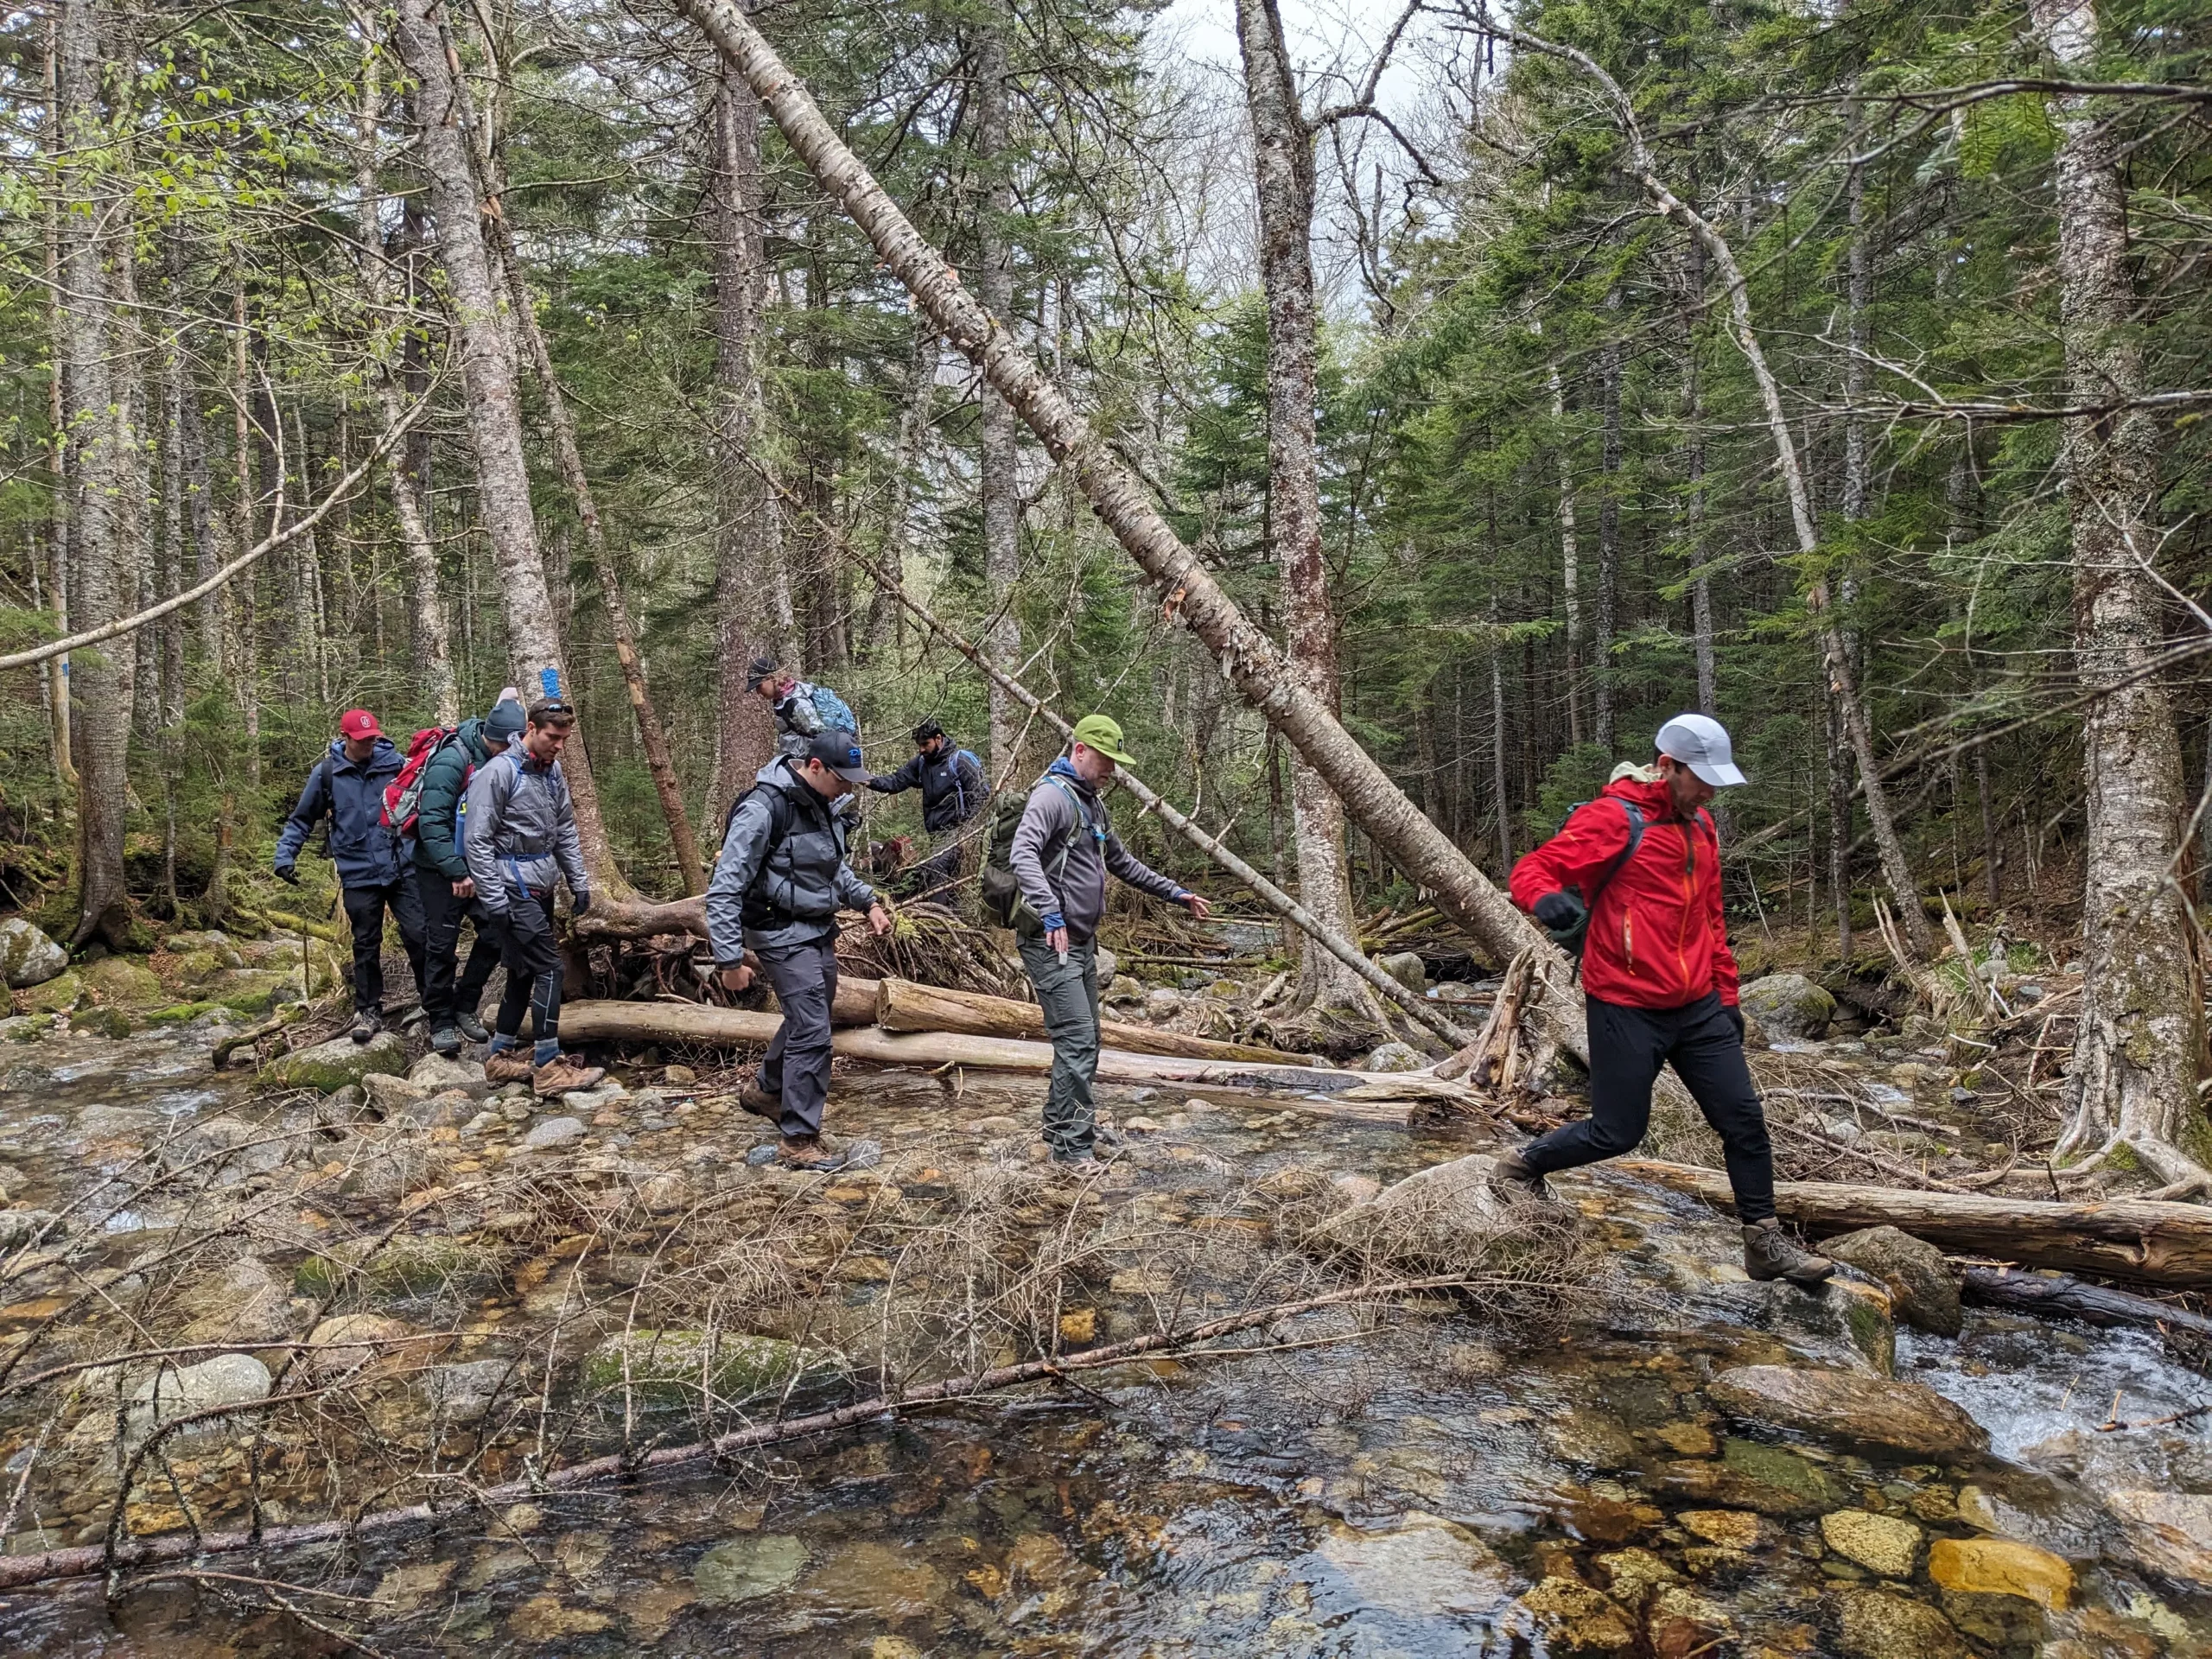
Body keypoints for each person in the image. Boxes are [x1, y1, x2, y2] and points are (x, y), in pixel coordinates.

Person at [1499, 713, 1833, 1286]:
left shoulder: (1701, 828)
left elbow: (1710, 919)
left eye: (1714, 780)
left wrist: (1726, 994)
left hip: (1698, 1005)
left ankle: (1763, 1243)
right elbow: (1533, 868)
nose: (1708, 790)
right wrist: (1544, 898)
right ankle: (1521, 1166)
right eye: (1699, 778)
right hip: (1625, 1004)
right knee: (1617, 1131)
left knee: (1744, 1121)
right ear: (1667, 766)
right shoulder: (1614, 818)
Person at [1009, 715, 1211, 1165]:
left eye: (1116, 763)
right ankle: (1072, 1152)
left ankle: (1062, 1128)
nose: (1112, 772)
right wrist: (1051, 913)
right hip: (1051, 942)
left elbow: (1124, 864)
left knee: (1087, 1041)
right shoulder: (1051, 798)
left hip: (1081, 943)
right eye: (1106, 760)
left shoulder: (1092, 805)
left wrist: (1177, 892)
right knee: (1077, 1041)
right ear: (1080, 750)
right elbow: (1021, 853)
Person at [706, 728, 894, 1171]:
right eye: (842, 778)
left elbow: (833, 870)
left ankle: (767, 1091)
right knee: (813, 1030)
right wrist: (729, 960)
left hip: (816, 929)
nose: (848, 787)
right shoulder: (763, 809)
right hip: (777, 932)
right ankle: (798, 1140)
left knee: (813, 1013)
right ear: (814, 767)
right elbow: (724, 888)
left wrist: (868, 902)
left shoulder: (822, 807)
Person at [461, 698, 604, 1096]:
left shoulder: (552, 771)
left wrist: (579, 883)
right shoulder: (498, 773)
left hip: (540, 884)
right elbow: (477, 841)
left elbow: (565, 830)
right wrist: (495, 901)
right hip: (509, 888)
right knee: (549, 969)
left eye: (564, 738)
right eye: (552, 737)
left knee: (523, 970)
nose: (559, 745)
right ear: (530, 728)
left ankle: (500, 1057)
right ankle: (547, 1066)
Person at [275, 708, 425, 1042]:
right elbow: (301, 819)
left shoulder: (397, 765)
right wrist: (285, 855)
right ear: (345, 738)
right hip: (358, 871)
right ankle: (368, 1011)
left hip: (402, 865)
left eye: (372, 738)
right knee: (366, 943)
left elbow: (424, 808)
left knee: (419, 934)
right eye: (361, 740)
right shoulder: (327, 773)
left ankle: (433, 1004)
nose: (368, 744)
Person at [410, 696, 527, 1056]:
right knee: (441, 946)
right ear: (506, 739)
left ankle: (465, 1005)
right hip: (438, 870)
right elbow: (431, 823)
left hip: (481, 866)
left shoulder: (500, 761)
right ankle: (440, 1021)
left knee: (495, 933)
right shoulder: (452, 760)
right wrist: (457, 871)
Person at [865, 716, 989, 898]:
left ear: (939, 739)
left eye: (925, 744)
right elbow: (897, 781)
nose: (921, 749)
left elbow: (982, 793)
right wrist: (869, 781)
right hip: (936, 835)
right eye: (919, 745)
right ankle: (953, 918)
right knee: (941, 878)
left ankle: (937, 915)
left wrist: (967, 831)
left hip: (960, 833)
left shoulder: (961, 760)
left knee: (935, 867)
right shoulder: (922, 763)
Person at [745, 656, 859, 761]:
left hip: (807, 765)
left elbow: (819, 735)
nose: (758, 692)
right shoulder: (788, 696)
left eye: (759, 686)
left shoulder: (795, 703)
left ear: (771, 678)